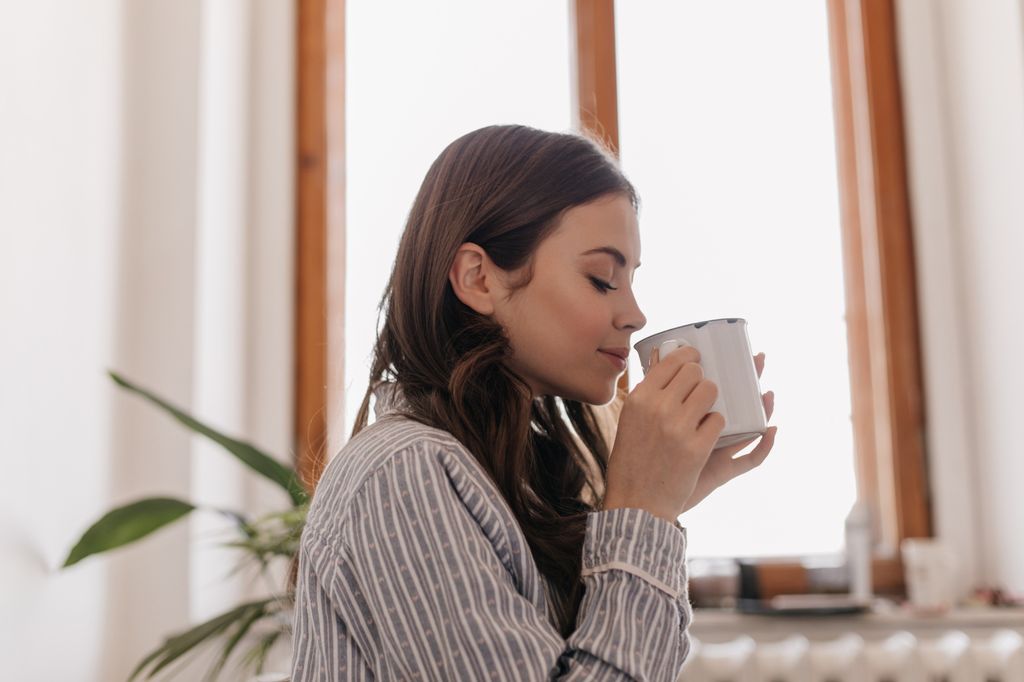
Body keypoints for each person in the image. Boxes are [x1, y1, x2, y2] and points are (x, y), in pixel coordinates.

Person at [290, 124, 777, 681]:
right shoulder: (406, 470)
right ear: (478, 278)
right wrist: (641, 514)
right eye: (601, 279)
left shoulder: (507, 475)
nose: (636, 314)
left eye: (631, 281)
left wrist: (663, 501)